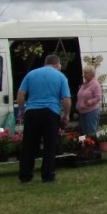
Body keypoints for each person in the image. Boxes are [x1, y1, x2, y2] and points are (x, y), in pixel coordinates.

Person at [17, 54, 71, 183]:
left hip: (32, 111)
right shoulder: (60, 76)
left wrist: (21, 110)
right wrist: (66, 115)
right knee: (49, 145)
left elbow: (21, 94)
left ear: (45, 63)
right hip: (50, 112)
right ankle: (47, 174)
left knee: (29, 145)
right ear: (57, 64)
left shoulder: (31, 74)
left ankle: (25, 175)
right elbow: (66, 99)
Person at [76, 65, 102, 136]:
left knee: (90, 132)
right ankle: (84, 145)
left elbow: (98, 97)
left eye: (86, 73)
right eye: (84, 73)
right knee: (83, 133)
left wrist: (88, 103)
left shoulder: (95, 84)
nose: (84, 75)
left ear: (92, 74)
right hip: (82, 111)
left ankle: (92, 146)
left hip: (91, 111)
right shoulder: (84, 84)